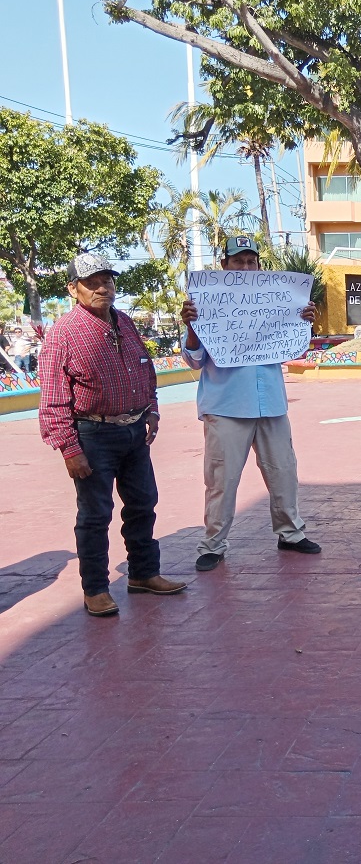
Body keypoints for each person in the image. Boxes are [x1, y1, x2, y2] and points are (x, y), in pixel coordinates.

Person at [38, 252, 187, 617]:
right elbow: (54, 399)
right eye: (92, 282)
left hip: (135, 432)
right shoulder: (64, 334)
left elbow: (145, 371)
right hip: (93, 435)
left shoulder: (125, 323)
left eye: (108, 280)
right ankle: (96, 589)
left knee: (141, 504)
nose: (103, 287)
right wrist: (69, 449)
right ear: (74, 289)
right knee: (94, 515)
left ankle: (143, 574)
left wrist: (151, 411)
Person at [180, 235, 321, 572]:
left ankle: (291, 532)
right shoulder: (204, 303)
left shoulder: (276, 298)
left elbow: (294, 351)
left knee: (284, 470)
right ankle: (213, 544)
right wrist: (192, 327)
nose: (245, 267)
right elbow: (194, 360)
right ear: (224, 265)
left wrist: (302, 323)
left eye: (251, 261)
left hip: (271, 402)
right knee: (222, 478)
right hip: (226, 405)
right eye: (238, 261)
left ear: (259, 265)